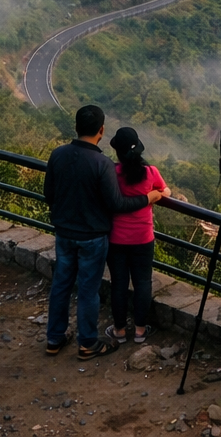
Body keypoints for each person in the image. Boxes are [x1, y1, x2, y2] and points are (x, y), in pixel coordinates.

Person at [43, 105, 166, 358]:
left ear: (76, 127)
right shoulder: (102, 164)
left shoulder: (57, 155)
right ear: (101, 130)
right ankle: (87, 343)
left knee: (61, 285)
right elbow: (117, 204)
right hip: (93, 237)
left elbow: (49, 194)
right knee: (88, 289)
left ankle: (54, 338)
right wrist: (148, 198)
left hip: (64, 233)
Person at [104, 126, 168, 344]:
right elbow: (164, 191)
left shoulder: (112, 173)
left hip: (116, 239)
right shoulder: (150, 172)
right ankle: (140, 331)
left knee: (119, 283)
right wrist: (156, 195)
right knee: (142, 282)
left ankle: (119, 331)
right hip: (143, 237)